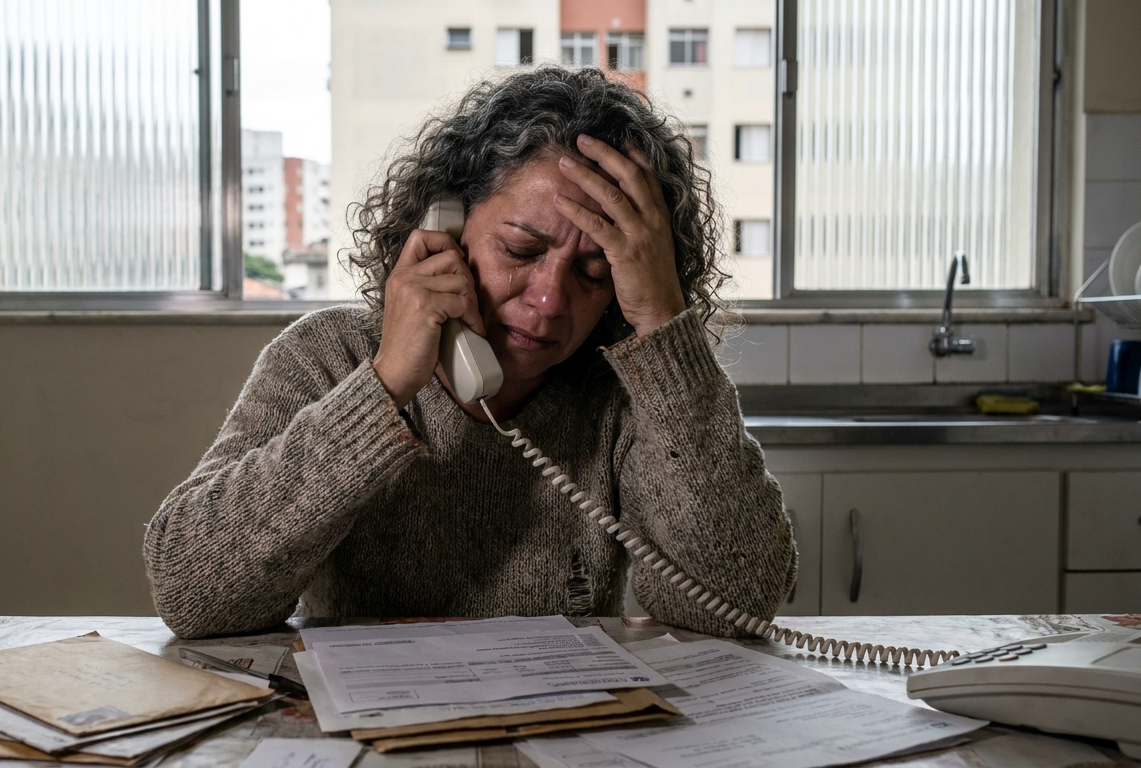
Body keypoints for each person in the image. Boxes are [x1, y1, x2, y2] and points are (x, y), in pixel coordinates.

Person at [144, 67, 795, 638]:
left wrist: (663, 328)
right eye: (519, 250)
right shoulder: (326, 356)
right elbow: (191, 594)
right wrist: (383, 387)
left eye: (595, 272)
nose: (549, 300)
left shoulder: (627, 395)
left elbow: (734, 609)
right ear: (445, 229)